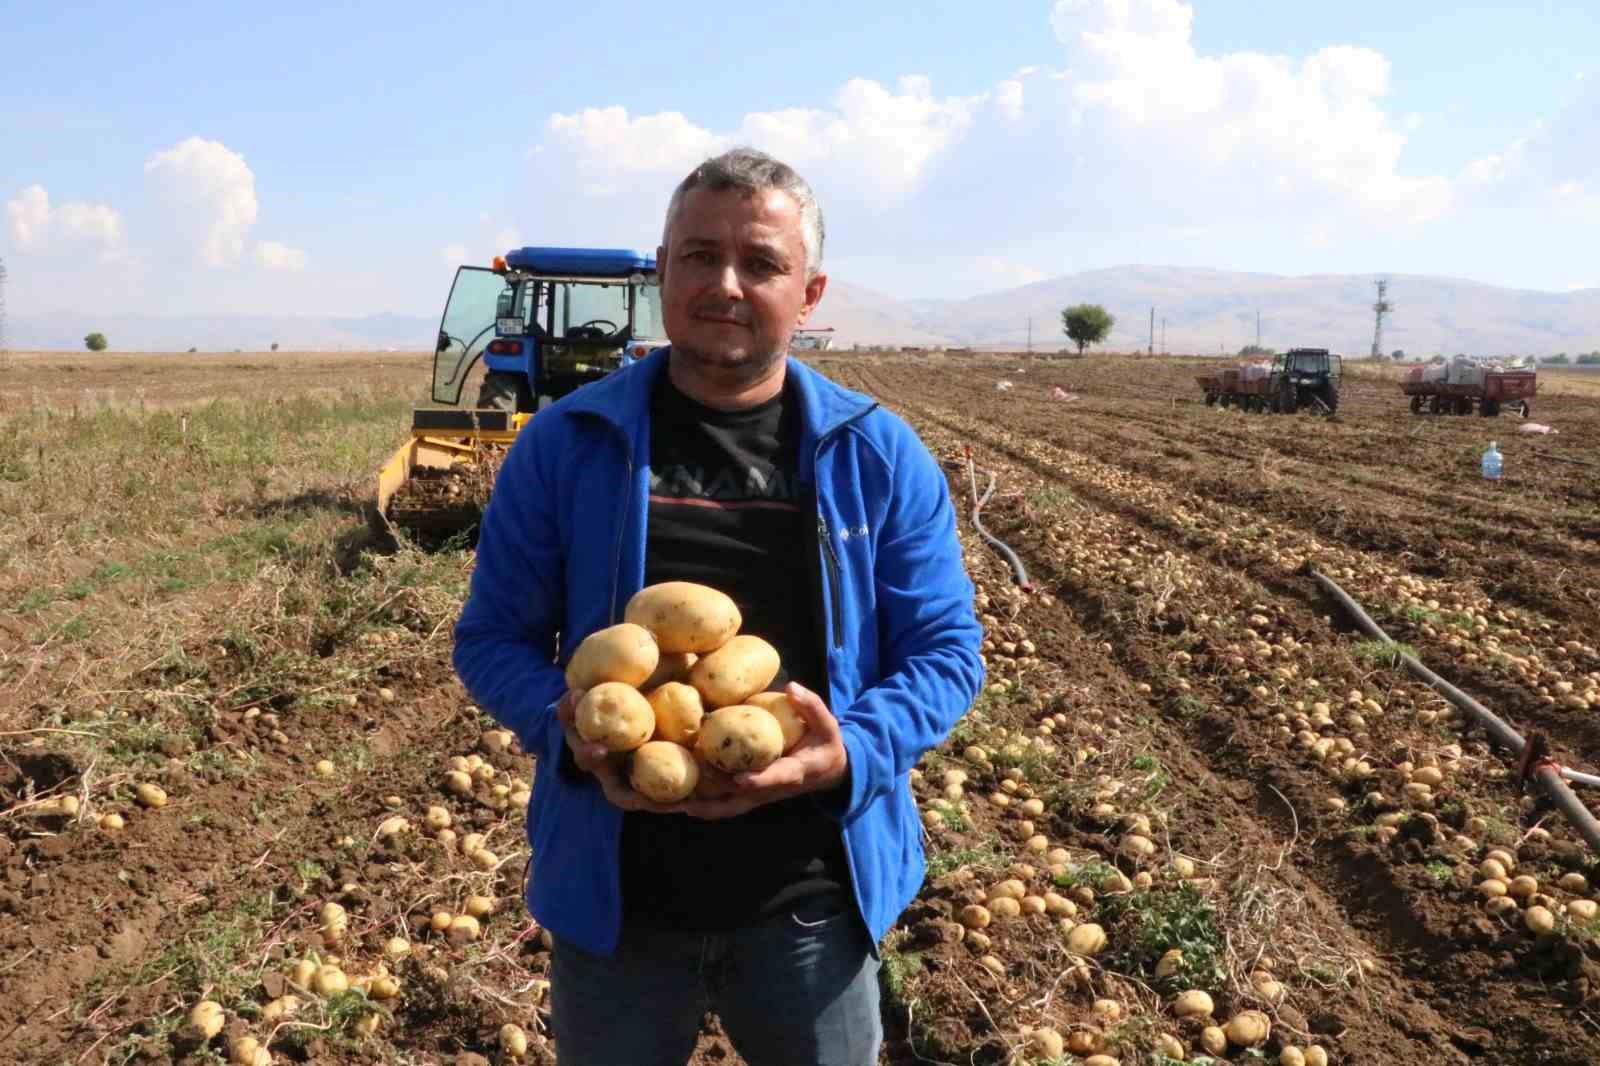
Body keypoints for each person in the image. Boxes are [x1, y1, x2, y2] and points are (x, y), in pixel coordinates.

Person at [452, 146, 984, 1066]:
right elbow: (491, 637)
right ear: (662, 272)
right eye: (699, 255)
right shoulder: (564, 444)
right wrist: (562, 723)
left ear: (809, 293)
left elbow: (946, 653)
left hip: (810, 900)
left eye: (762, 263)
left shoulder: (878, 456)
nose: (725, 284)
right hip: (615, 895)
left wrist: (847, 750)